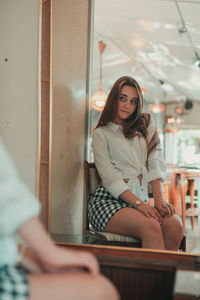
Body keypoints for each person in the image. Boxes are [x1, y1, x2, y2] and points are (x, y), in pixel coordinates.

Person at [0, 140, 119, 300]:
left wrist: (24, 256)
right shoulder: (102, 134)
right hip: (107, 199)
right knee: (101, 291)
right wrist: (50, 253)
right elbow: (7, 192)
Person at [88, 76, 183, 251]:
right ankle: (150, 278)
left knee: (174, 224)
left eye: (133, 101)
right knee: (151, 225)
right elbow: (109, 177)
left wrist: (159, 201)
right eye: (122, 98)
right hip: (109, 202)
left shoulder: (145, 122)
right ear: (114, 98)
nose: (127, 106)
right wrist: (140, 205)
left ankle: (163, 278)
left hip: (141, 198)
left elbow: (155, 158)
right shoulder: (101, 133)